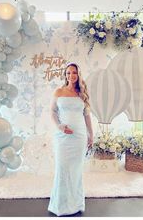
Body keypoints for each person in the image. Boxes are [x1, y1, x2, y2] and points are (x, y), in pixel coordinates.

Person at [48, 62, 93, 216]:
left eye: (74, 73)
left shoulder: (82, 94)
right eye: (68, 73)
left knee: (75, 170)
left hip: (79, 137)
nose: (71, 76)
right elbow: (52, 112)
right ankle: (60, 205)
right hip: (62, 136)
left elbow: (87, 116)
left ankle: (75, 204)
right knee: (62, 168)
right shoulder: (59, 91)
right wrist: (59, 126)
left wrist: (90, 135)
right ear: (65, 75)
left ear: (78, 74)